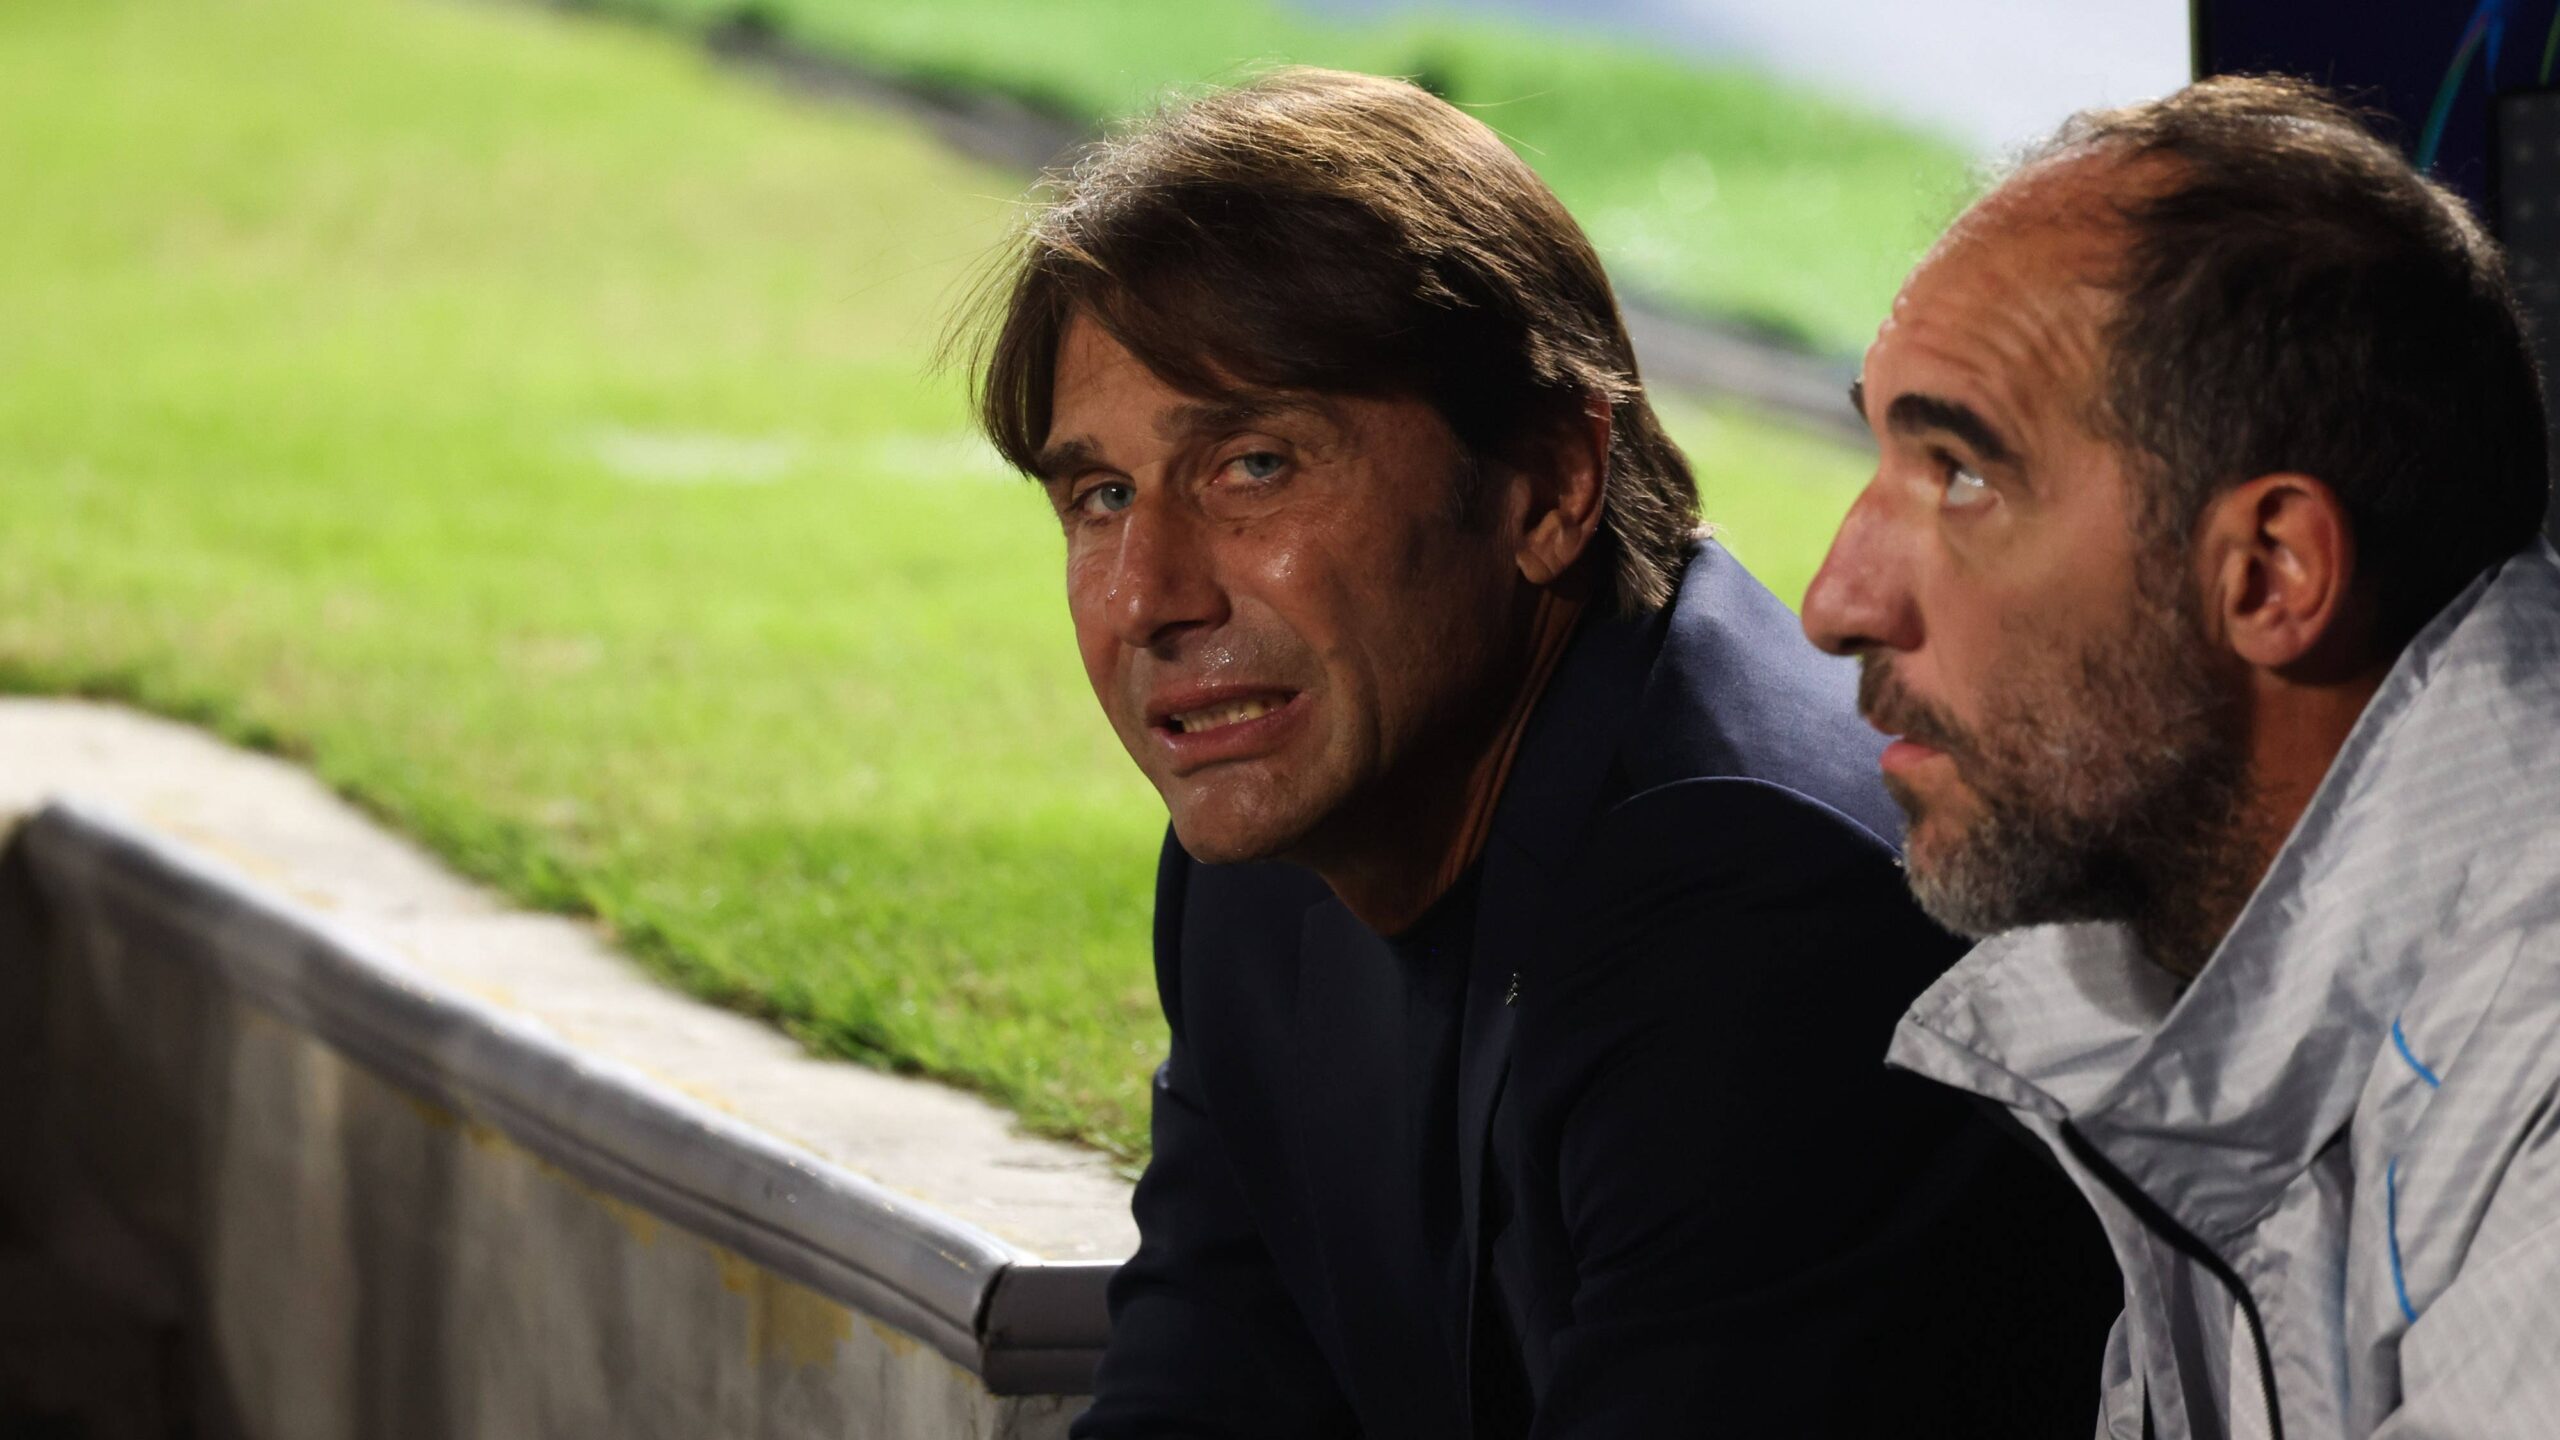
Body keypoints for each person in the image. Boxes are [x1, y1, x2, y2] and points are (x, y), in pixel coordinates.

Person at [966, 66, 2116, 1438]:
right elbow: (1205, 1391)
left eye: (1254, 465)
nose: (1150, 596)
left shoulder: (1761, 909)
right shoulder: (1263, 861)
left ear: (1554, 484)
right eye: (1100, 496)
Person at [1803, 74, 2560, 1439]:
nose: (1834, 602)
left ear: (2270, 573)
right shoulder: (2167, 962)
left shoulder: (2538, 1048)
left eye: (1962, 474)